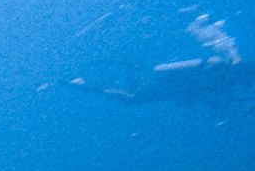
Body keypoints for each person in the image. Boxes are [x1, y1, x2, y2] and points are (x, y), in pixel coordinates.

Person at [68, 14, 254, 112]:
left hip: (175, 89)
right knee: (133, 98)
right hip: (173, 87)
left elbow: (213, 95)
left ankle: (131, 65)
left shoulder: (227, 73)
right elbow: (204, 87)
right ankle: (85, 84)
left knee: (135, 95)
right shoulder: (222, 69)